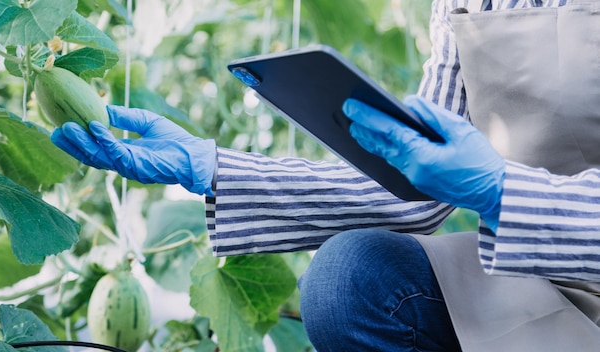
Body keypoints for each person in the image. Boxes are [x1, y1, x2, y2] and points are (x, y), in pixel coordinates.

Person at [51, 0, 600, 351]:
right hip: (527, 270)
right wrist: (212, 167)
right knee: (349, 279)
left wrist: (503, 194)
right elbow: (412, 196)